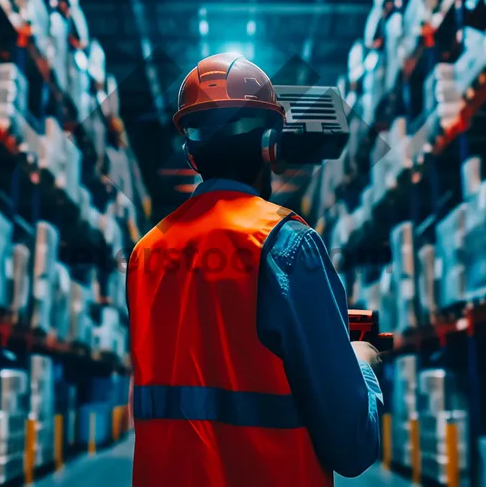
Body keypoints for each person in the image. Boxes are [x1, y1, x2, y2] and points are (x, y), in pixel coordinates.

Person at [127, 54, 384, 486]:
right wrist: (362, 361)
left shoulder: (145, 255)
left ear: (191, 155)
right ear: (270, 145)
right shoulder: (286, 244)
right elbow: (352, 443)